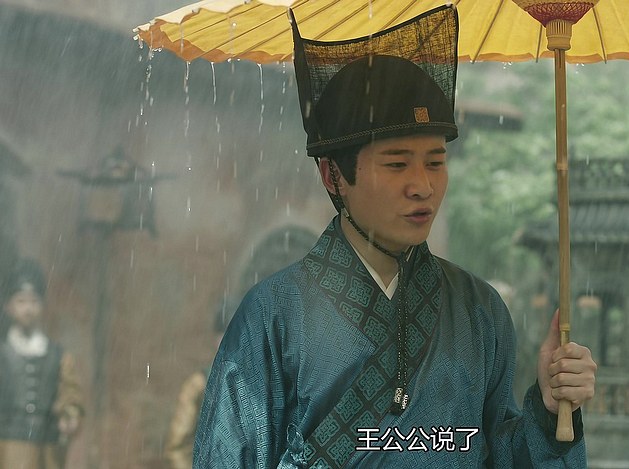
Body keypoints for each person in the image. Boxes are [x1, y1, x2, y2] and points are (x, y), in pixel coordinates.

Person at [194, 5, 597, 468]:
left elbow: (501, 456)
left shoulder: (479, 310)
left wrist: (550, 411)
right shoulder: (273, 315)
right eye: (397, 163)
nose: (422, 186)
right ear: (332, 175)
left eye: (435, 162)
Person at [0, 258, 84, 469]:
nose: (28, 309)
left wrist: (70, 413)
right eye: (21, 302)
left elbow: (70, 393)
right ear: (8, 307)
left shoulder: (57, 355)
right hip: (9, 444)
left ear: (42, 306)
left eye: (33, 302)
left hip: (48, 446)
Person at [163, 297, 235, 469]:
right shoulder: (199, 385)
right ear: (216, 339)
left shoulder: (261, 383)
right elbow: (178, 447)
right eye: (223, 335)